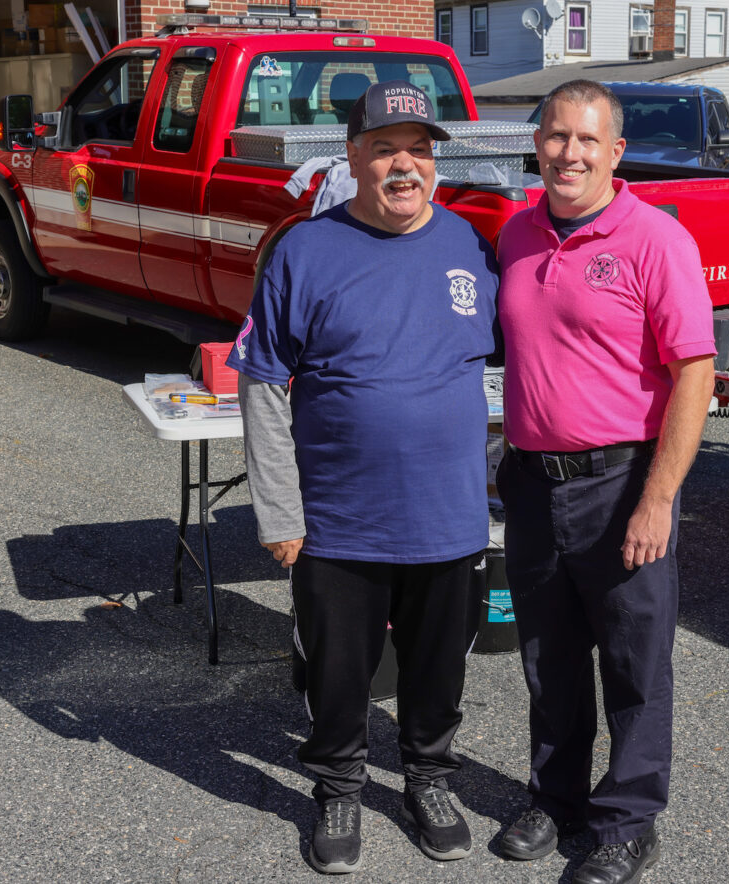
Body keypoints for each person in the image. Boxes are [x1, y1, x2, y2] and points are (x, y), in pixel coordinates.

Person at [226, 80, 499, 875]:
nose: (404, 166)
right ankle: (339, 785)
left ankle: (427, 779)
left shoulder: (471, 246)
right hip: (338, 523)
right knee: (341, 671)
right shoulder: (305, 252)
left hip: (449, 518)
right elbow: (262, 383)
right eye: (385, 149)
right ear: (353, 158)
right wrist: (278, 510)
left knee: (437, 670)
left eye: (418, 149)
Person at [494, 79, 716, 884]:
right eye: (556, 136)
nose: (570, 154)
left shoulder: (656, 240)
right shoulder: (515, 235)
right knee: (548, 658)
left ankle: (626, 821)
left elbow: (695, 371)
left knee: (632, 661)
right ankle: (554, 800)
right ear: (538, 142)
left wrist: (657, 498)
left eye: (588, 140)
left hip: (622, 484)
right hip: (530, 483)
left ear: (616, 152)